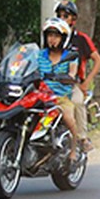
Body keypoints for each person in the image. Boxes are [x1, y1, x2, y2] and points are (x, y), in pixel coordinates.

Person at [54, 0, 100, 139]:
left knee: (76, 102)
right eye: (59, 16)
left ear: (73, 19)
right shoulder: (51, 37)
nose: (62, 19)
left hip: (72, 83)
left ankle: (82, 138)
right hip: (51, 82)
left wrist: (86, 83)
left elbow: (99, 61)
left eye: (65, 16)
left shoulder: (81, 39)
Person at [36, 17, 84, 158]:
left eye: (56, 36)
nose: (52, 39)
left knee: (68, 117)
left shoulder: (70, 56)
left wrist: (67, 77)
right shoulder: (40, 55)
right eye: (50, 35)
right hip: (41, 95)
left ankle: (74, 149)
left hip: (61, 97)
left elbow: (72, 73)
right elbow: (28, 67)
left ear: (63, 38)